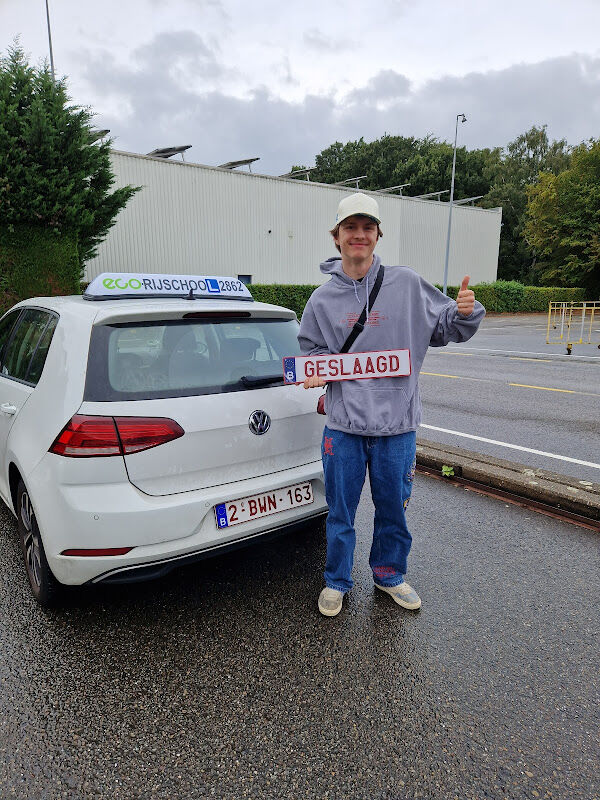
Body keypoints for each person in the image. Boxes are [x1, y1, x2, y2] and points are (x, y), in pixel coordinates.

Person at [298, 192, 485, 617]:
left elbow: (447, 328)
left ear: (378, 235)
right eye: (351, 228)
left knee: (392, 512)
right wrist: (318, 368)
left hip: (397, 428)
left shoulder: (407, 284)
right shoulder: (322, 300)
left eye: (367, 227)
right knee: (340, 514)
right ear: (337, 237)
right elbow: (309, 352)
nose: (359, 235)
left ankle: (388, 575)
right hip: (344, 427)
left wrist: (467, 312)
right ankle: (336, 581)